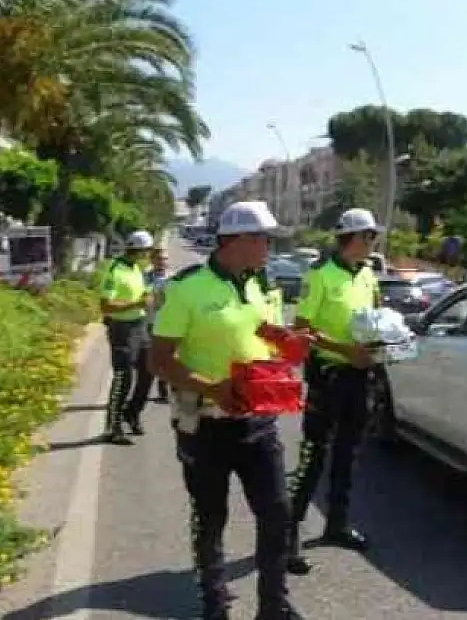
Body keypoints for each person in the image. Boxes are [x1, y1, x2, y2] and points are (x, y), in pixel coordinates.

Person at [149, 201, 306, 620]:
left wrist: (285, 341)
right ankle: (215, 603)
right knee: (210, 516)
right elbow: (158, 360)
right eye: (265, 239)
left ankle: (273, 606)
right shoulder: (186, 289)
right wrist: (212, 389)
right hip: (206, 424)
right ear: (238, 240)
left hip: (258, 420)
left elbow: (259, 336)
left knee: (277, 514)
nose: (270, 247)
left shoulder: (256, 285)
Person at [286, 207, 383, 574]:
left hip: (360, 376)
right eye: (370, 236)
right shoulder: (320, 276)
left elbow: (374, 315)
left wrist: (383, 341)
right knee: (314, 455)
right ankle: (289, 533)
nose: (374, 242)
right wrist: (346, 351)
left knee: (349, 452)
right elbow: (302, 329)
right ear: (354, 238)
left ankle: (337, 523)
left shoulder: (368, 274)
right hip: (329, 375)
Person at [99, 230, 155, 444]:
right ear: (138, 250)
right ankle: (112, 428)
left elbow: (144, 293)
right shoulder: (115, 269)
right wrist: (136, 304)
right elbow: (105, 306)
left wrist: (147, 298)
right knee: (124, 378)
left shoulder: (138, 269)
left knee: (149, 371)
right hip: (121, 327)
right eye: (146, 251)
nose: (148, 255)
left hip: (139, 325)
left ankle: (132, 412)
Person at [146, 248, 172, 403]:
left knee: (167, 359)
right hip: (149, 323)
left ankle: (164, 392)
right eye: (159, 259)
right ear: (152, 260)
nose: (162, 262)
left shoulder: (173, 279)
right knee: (149, 359)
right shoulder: (145, 277)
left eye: (165, 259)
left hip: (168, 325)